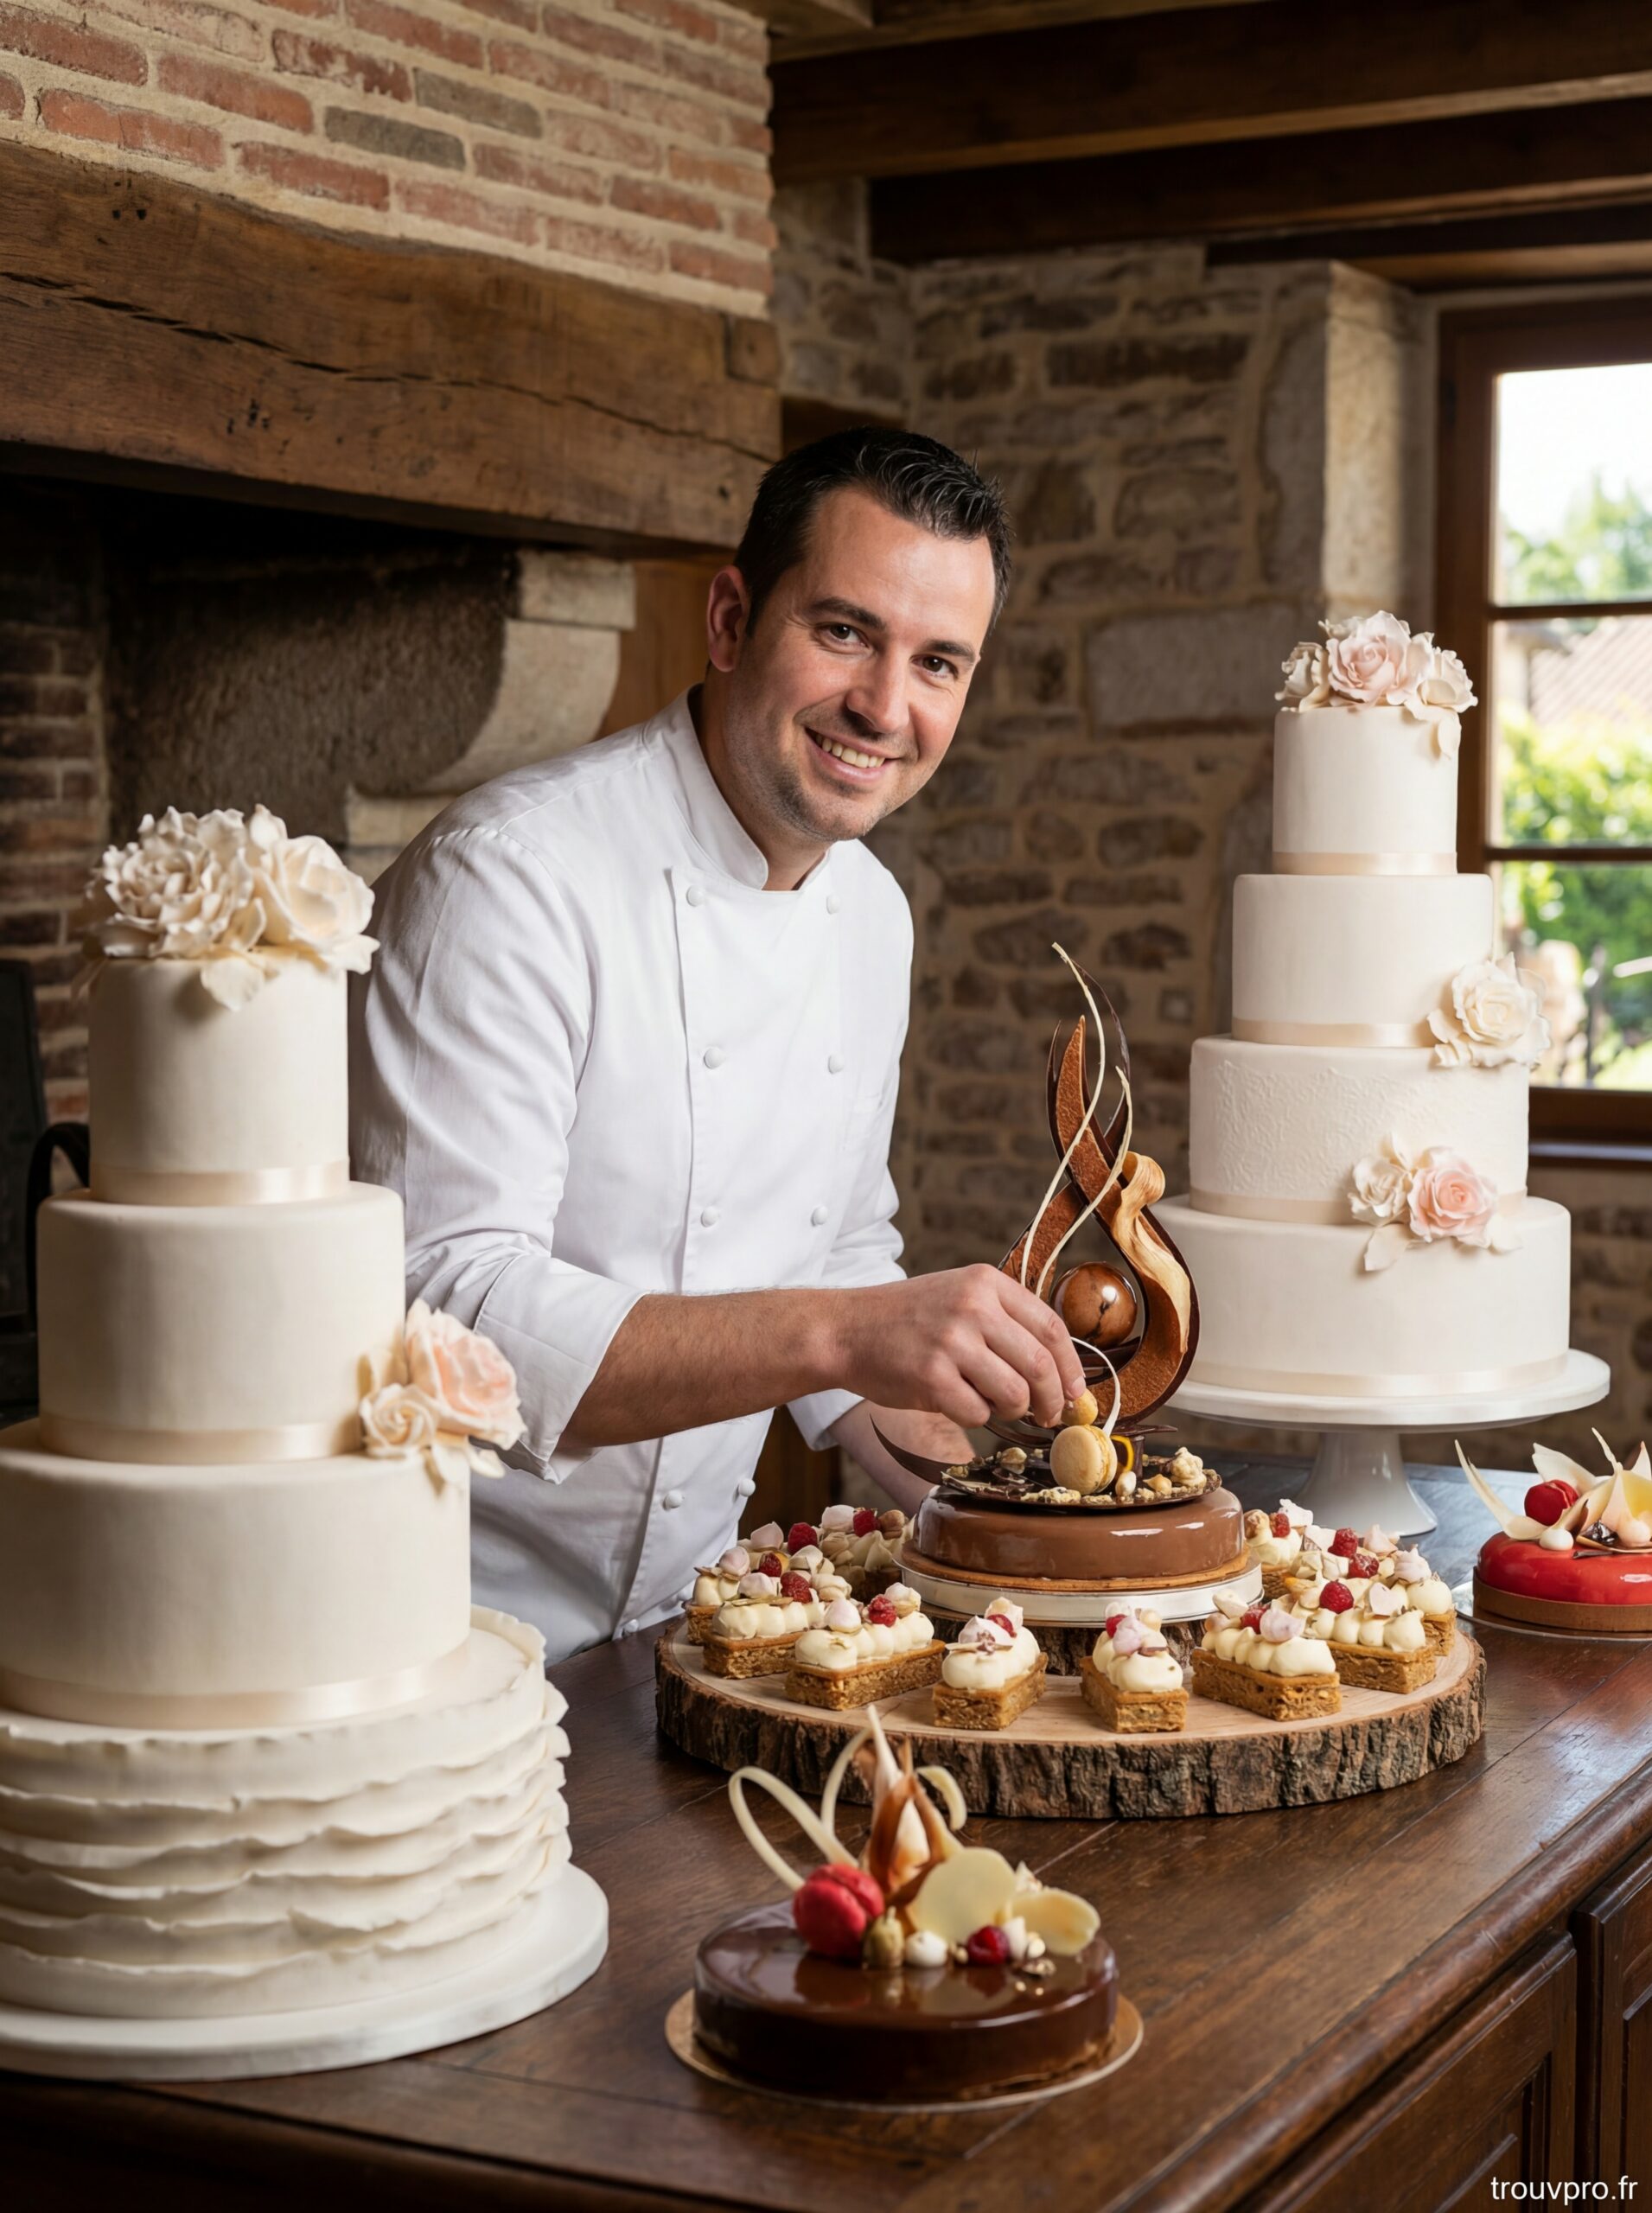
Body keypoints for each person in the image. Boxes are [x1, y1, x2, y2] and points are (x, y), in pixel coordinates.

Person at [349, 428, 1084, 1661]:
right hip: (436, 1621)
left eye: (939, 662)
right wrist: (848, 1332)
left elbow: (838, 1239)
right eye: (845, 632)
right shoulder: (513, 877)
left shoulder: (870, 910)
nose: (885, 707)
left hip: (680, 1631)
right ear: (734, 620)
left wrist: (1010, 1521)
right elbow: (447, 1308)